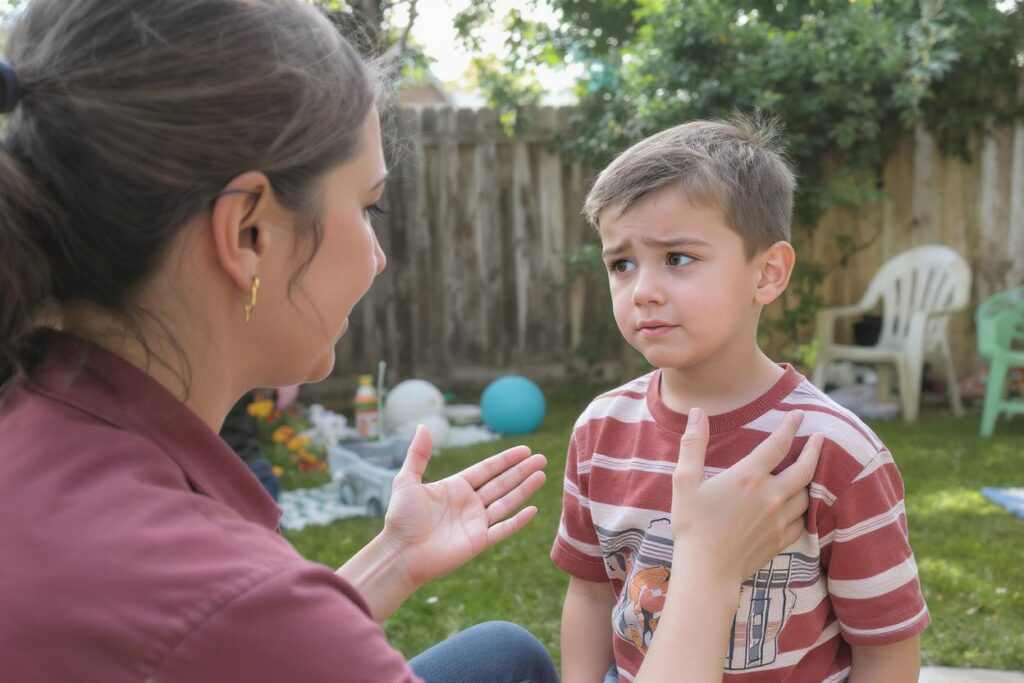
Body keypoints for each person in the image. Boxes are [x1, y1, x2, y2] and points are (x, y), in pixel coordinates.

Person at [0, 2, 819, 681]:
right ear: (247, 232)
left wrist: (391, 559)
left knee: (502, 655)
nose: (377, 253)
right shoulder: (232, 599)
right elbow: (246, 629)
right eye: (367, 207)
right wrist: (709, 568)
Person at [552, 117, 929, 682]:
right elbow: (590, 593)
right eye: (621, 264)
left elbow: (886, 646)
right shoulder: (600, 431)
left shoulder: (834, 451)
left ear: (768, 273)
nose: (643, 291)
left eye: (677, 258)